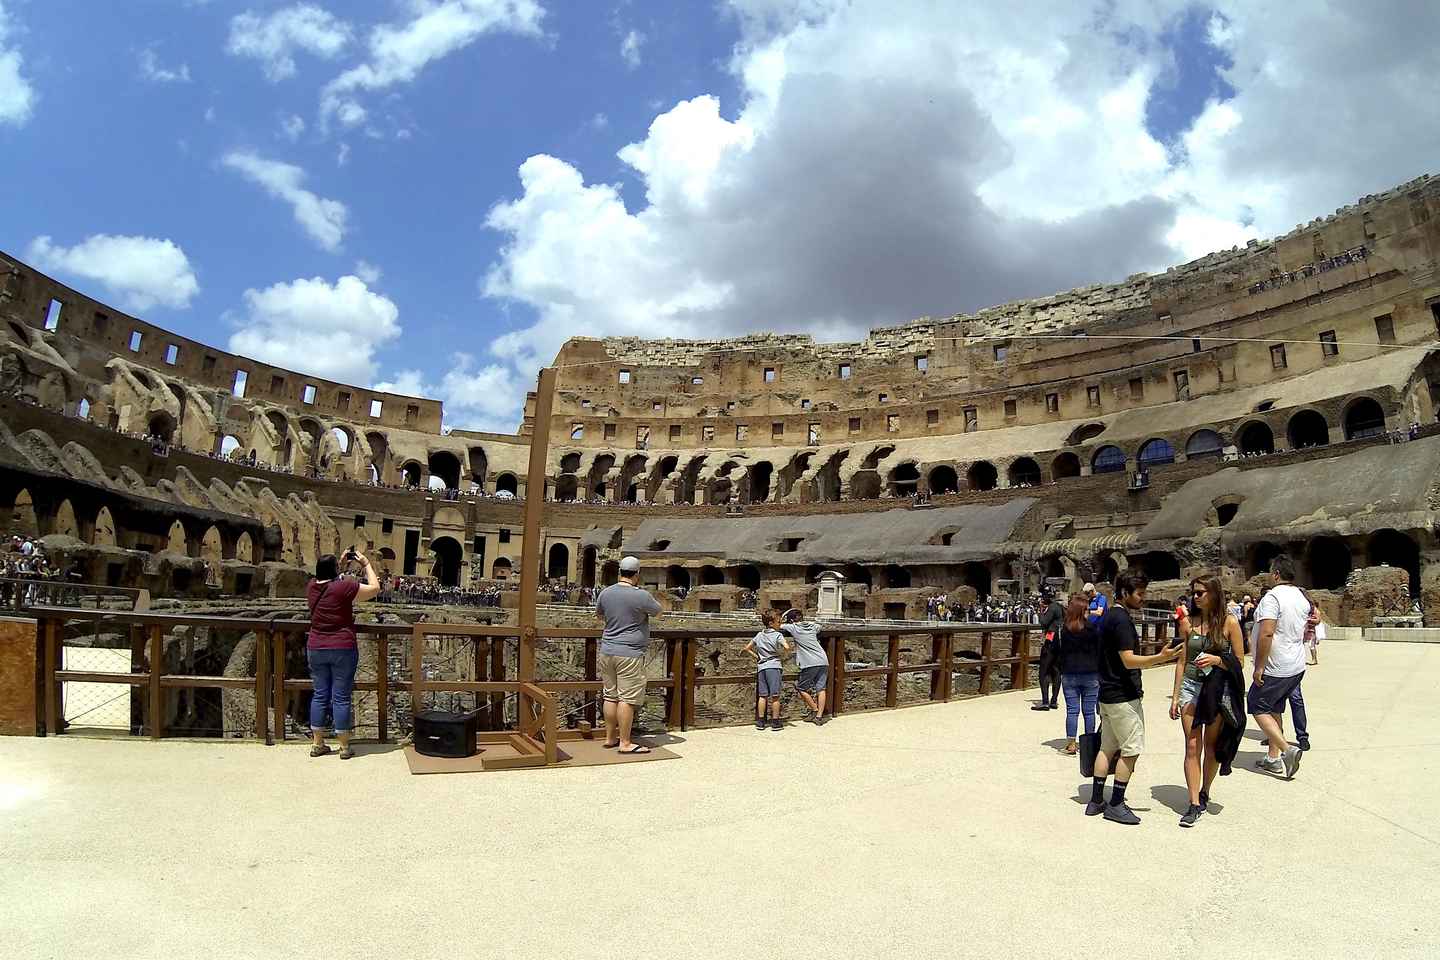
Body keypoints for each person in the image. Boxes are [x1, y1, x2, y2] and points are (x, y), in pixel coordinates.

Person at [1087, 572, 1183, 825]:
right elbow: (1128, 659)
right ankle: (1116, 803)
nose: (1143, 599)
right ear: (1124, 594)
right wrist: (1161, 658)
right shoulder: (1121, 620)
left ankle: (1096, 800)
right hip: (1122, 695)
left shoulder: (1109, 617)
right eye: (1139, 594)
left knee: (1107, 747)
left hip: (1107, 694)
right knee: (1130, 750)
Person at [1169, 576, 1245, 827]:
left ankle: (1205, 791)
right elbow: (1181, 661)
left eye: (1201, 592)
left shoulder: (1230, 623)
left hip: (1215, 689)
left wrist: (1217, 661)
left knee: (1211, 747)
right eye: (1194, 592)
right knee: (1192, 746)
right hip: (1190, 687)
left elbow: (1240, 661)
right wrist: (1175, 695)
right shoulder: (1187, 623)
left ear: (1214, 593)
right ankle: (1192, 803)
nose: (1196, 596)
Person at [306, 549, 381, 759]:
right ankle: (344, 747)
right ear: (335, 571)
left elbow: (329, 579)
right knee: (340, 697)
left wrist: (338, 565)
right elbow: (375, 588)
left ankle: (317, 743)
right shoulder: (344, 587)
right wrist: (365, 564)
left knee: (320, 694)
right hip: (342, 647)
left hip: (316, 647)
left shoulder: (311, 586)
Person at [594, 556, 661, 754]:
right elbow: (658, 612)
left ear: (620, 572)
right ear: (637, 574)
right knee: (627, 698)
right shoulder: (641, 596)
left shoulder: (605, 593)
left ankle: (609, 737)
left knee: (610, 695)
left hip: (607, 650)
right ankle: (625, 742)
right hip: (630, 653)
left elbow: (599, 615)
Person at [1249, 558, 1308, 779]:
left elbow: (1266, 632)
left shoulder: (1273, 597)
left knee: (1256, 706)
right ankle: (1273, 759)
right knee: (1274, 708)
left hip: (1276, 666)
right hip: (1295, 665)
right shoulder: (1301, 596)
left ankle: (1287, 750)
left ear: (1276, 574)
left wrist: (1259, 666)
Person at [1057, 592, 1100, 755]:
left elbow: (1061, 651)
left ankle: (1071, 744)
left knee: (1072, 710)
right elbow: (1098, 651)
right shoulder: (1092, 629)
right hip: (1090, 673)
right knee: (1089, 712)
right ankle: (1089, 745)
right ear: (1082, 611)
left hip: (1069, 674)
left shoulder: (1065, 629)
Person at [780, 608, 830, 724]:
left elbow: (778, 626)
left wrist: (784, 617)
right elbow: (819, 627)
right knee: (821, 688)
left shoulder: (793, 627)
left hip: (809, 663)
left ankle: (814, 709)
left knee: (801, 688)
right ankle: (819, 716)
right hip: (823, 659)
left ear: (791, 620)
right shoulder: (813, 626)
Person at [744, 608, 790, 731]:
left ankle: (760, 722)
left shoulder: (759, 635)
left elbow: (747, 648)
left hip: (761, 666)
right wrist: (781, 655)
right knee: (775, 696)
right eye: (779, 622)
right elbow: (787, 647)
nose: (780, 624)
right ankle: (775, 722)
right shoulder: (778, 635)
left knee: (762, 695)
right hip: (774, 666)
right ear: (771, 623)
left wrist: (758, 656)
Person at [1032, 588, 1064, 711]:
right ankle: (1054, 701)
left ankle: (1045, 702)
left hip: (1051, 640)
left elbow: (1044, 622)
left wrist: (1041, 611)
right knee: (1056, 670)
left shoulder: (1052, 608)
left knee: (1044, 671)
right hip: (1059, 642)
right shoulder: (1060, 607)